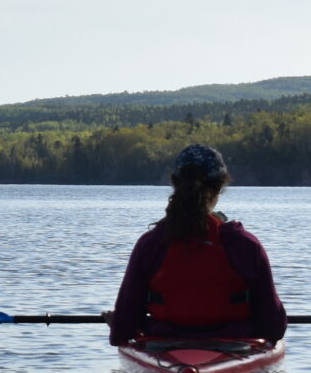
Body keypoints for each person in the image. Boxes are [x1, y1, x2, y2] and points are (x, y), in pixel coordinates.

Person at [109, 143, 286, 345]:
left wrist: (116, 323)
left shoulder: (151, 244)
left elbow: (122, 331)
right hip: (235, 346)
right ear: (221, 187)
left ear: (175, 183)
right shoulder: (245, 245)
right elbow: (274, 328)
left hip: (162, 346)